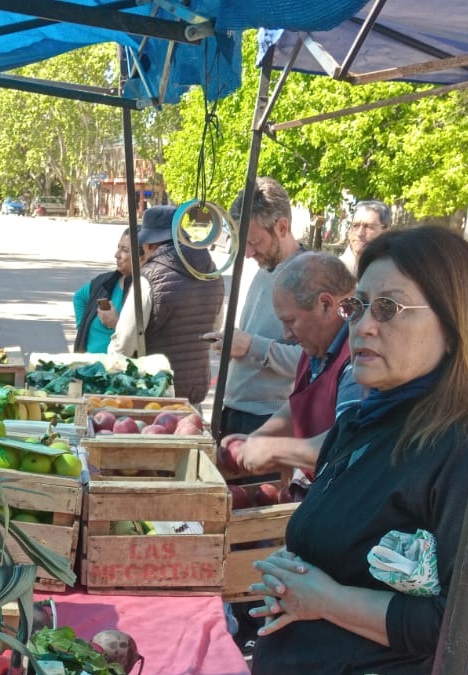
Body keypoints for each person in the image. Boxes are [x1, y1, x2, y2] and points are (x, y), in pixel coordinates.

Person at [248, 225, 468, 675]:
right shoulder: (366, 420)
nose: (363, 325)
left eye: (390, 308)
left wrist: (326, 600)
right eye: (359, 307)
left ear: (454, 325)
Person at [236, 251, 359, 480]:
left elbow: (348, 443)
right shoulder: (317, 345)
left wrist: (274, 450)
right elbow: (301, 405)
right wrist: (259, 437)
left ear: (325, 304)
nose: (286, 334)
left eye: (291, 321)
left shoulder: (359, 356)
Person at [205, 177, 307, 436]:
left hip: (269, 420)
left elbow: (311, 362)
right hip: (235, 410)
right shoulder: (265, 269)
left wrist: (251, 345)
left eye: (254, 242)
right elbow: (256, 335)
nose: (248, 253)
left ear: (282, 227)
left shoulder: (309, 277)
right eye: (243, 243)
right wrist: (234, 343)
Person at [112, 205, 225, 406]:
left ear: (151, 245)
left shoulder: (149, 278)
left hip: (155, 392)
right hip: (193, 390)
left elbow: (124, 343)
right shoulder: (213, 274)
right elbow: (214, 329)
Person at [71, 233, 131, 353]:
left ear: (142, 256)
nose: (117, 255)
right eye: (118, 248)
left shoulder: (143, 290)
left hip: (117, 367)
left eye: (124, 250)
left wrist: (116, 324)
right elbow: (79, 297)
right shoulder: (105, 281)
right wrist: (82, 326)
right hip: (87, 364)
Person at [339, 200, 390, 275]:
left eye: (368, 227)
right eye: (355, 226)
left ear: (385, 232)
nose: (360, 233)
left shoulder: (395, 272)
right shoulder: (331, 270)